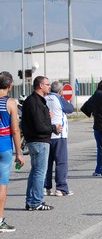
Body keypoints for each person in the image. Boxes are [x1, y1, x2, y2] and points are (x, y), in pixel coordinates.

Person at [22, 75, 62, 211]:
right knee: (40, 172)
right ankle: (36, 201)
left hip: (37, 140)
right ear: (40, 85)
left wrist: (48, 118)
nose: (49, 87)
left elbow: (39, 121)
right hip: (39, 141)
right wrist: (53, 128)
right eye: (47, 84)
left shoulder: (37, 101)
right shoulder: (34, 102)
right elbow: (39, 126)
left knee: (35, 172)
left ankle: (31, 201)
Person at [0, 71, 24, 231]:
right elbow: (15, 130)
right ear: (10, 86)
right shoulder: (10, 103)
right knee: (2, 184)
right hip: (4, 146)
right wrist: (19, 153)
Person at [44, 81, 74, 196]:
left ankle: (46, 187)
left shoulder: (45, 98)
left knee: (47, 162)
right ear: (60, 91)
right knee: (61, 162)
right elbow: (70, 108)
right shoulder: (59, 99)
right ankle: (61, 188)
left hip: (46, 134)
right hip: (59, 135)